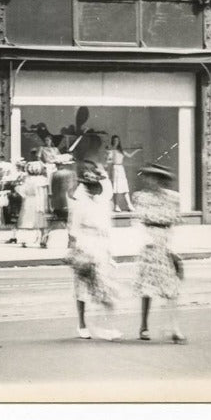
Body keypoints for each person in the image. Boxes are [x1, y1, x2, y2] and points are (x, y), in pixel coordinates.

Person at [132, 163, 185, 343]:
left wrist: (174, 250)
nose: (150, 181)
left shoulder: (173, 198)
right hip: (149, 244)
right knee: (147, 288)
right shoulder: (141, 197)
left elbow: (174, 224)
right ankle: (144, 325)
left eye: (155, 178)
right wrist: (145, 241)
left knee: (172, 288)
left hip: (165, 244)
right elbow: (138, 222)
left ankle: (175, 328)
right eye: (148, 177)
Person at [67, 164, 119, 340]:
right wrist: (75, 251)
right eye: (90, 187)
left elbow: (108, 228)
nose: (94, 190)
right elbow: (74, 230)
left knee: (105, 285)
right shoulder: (79, 205)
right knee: (82, 287)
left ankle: (106, 325)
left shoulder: (104, 204)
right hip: (86, 244)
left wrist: (110, 251)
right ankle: (81, 323)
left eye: (96, 186)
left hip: (101, 245)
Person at [15, 160, 50, 248]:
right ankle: (43, 239)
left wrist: (20, 191)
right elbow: (43, 193)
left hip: (29, 200)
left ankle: (24, 240)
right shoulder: (42, 180)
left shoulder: (28, 180)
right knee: (40, 220)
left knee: (27, 219)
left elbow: (22, 190)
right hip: (39, 201)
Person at [105, 135, 140, 213]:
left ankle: (129, 205)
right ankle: (116, 206)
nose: (116, 142)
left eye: (117, 140)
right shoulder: (111, 151)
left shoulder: (121, 150)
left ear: (119, 141)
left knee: (124, 187)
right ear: (112, 141)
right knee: (116, 188)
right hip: (115, 169)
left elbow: (130, 156)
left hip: (121, 169)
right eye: (114, 140)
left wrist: (137, 150)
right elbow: (108, 161)